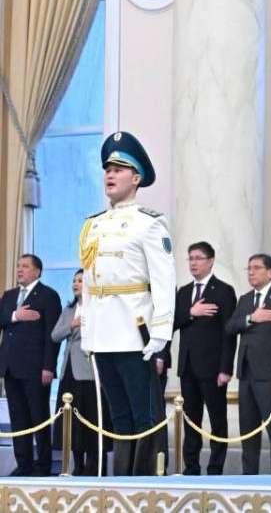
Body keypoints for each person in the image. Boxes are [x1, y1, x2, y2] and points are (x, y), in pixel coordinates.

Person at [78, 131, 175, 476]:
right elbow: (90, 283)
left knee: (144, 413)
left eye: (119, 168)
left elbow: (164, 284)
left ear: (136, 178)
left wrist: (161, 334)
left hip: (136, 331)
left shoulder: (149, 223)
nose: (110, 174)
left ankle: (146, 483)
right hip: (103, 331)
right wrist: (86, 328)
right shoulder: (93, 225)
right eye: (107, 168)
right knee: (118, 413)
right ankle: (121, 480)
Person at [171, 241, 238, 475]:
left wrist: (226, 368)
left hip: (213, 367)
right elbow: (172, 322)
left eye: (198, 258)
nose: (193, 263)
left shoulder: (223, 290)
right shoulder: (184, 292)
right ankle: (191, 467)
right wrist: (191, 312)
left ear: (210, 261)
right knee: (191, 421)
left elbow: (229, 333)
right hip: (187, 366)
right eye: (190, 258)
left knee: (218, 420)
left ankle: (216, 468)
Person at [225, 253, 271, 474]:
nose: (251, 272)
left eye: (256, 268)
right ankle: (249, 476)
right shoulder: (245, 299)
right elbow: (230, 327)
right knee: (248, 428)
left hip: (270, 373)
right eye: (249, 268)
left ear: (270, 272)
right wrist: (250, 318)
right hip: (246, 372)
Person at [0, 253, 62, 476]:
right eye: (18, 266)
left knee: (38, 416)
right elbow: (2, 318)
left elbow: (52, 336)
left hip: (36, 368)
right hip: (10, 366)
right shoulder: (9, 296)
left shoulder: (48, 296)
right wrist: (15, 315)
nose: (19, 270)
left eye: (25, 266)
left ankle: (43, 465)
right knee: (18, 418)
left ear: (37, 271)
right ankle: (23, 464)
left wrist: (49, 366)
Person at [52, 269, 109, 475]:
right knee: (72, 421)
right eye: (74, 281)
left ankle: (95, 465)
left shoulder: (100, 308)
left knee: (91, 419)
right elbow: (55, 335)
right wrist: (72, 324)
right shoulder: (68, 309)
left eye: (80, 281)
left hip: (90, 371)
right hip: (69, 370)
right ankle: (77, 465)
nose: (75, 284)